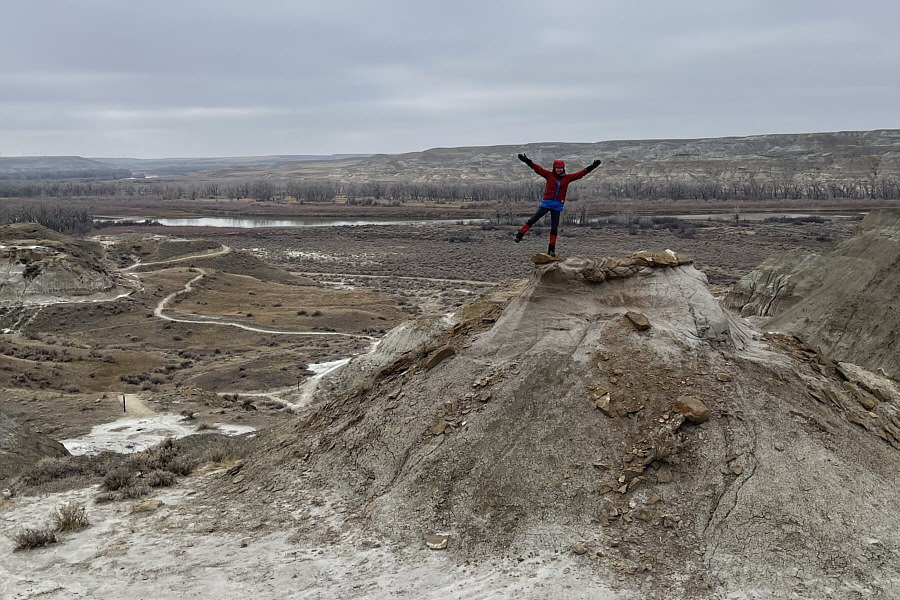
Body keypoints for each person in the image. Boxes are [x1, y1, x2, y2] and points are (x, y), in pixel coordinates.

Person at [514, 154, 602, 257]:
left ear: (563, 169)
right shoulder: (549, 175)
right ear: (554, 168)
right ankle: (519, 235)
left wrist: (592, 166)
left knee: (554, 228)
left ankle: (551, 249)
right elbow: (538, 169)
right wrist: (527, 161)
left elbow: (580, 174)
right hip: (546, 203)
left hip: (557, 205)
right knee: (532, 220)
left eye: (561, 168)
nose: (559, 170)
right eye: (557, 168)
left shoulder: (567, 178)